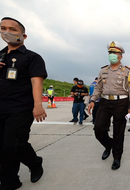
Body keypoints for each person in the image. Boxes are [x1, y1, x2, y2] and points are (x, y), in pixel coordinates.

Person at [0, 17, 47, 190]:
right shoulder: (0, 56)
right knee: (3, 147)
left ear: (23, 36)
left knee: (14, 144)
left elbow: (36, 82)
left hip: (20, 108)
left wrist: (38, 105)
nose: (7, 32)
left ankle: (35, 163)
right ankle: (10, 181)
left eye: (12, 29)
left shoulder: (32, 57)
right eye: (3, 28)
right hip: (1, 107)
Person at [88, 41, 130, 170]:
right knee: (98, 129)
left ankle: (117, 157)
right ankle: (109, 145)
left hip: (121, 103)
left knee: (118, 132)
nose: (112, 55)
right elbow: (98, 88)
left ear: (120, 56)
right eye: (110, 52)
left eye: (114, 53)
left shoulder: (127, 71)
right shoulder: (103, 70)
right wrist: (92, 100)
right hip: (104, 102)